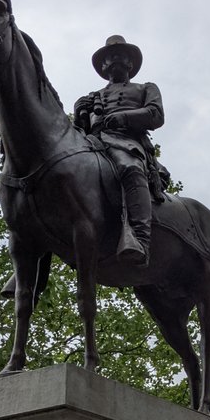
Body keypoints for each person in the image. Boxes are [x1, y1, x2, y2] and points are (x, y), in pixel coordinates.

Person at [74, 35, 165, 265]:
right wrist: (79, 115)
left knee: (130, 167)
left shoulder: (146, 88)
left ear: (130, 63)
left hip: (128, 142)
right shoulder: (93, 97)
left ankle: (140, 239)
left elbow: (156, 115)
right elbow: (79, 130)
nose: (114, 59)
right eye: (108, 57)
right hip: (95, 142)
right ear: (103, 67)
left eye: (120, 55)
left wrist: (123, 117)